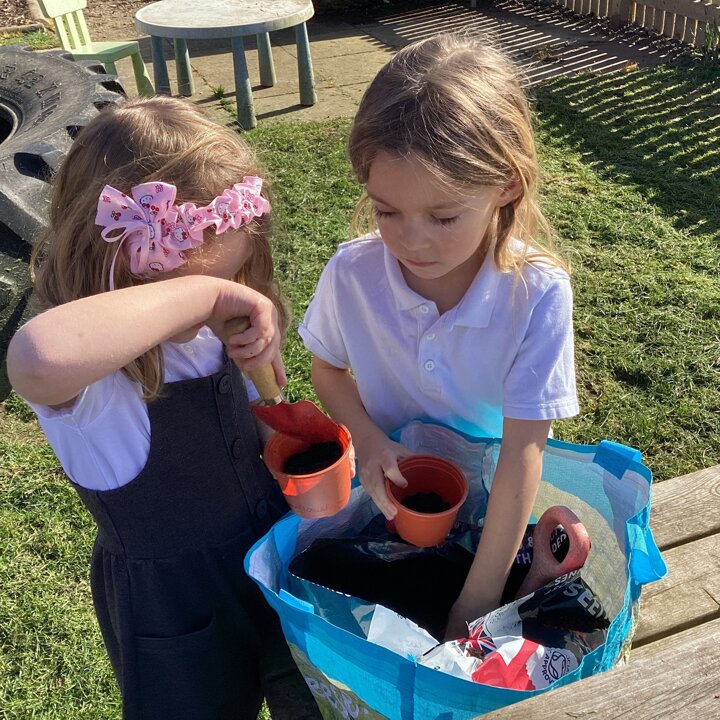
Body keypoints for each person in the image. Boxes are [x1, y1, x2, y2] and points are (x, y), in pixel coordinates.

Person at [7, 96, 320, 720]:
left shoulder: (215, 332)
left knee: (315, 701)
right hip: (176, 617)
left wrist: (288, 442)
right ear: (110, 260)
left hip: (276, 568)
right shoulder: (95, 379)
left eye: (227, 279)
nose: (209, 305)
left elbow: (246, 430)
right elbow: (35, 358)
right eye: (185, 291)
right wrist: (203, 294)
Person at [299, 33, 579, 641]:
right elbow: (327, 368)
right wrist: (368, 438)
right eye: (386, 211)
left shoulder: (536, 294)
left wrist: (477, 599)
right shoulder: (352, 274)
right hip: (388, 496)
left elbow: (522, 453)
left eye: (444, 216)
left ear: (507, 184)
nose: (412, 240)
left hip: (494, 515)